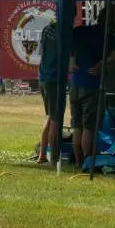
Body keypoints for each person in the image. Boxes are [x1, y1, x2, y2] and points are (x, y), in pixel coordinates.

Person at [69, 7, 115, 169]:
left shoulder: (80, 30)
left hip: (75, 83)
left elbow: (70, 47)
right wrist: (102, 63)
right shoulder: (109, 37)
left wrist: (72, 61)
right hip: (92, 85)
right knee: (90, 127)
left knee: (77, 126)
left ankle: (78, 161)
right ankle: (89, 162)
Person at [35, 19, 67, 164]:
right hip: (54, 78)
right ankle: (54, 158)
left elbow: (41, 52)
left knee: (50, 116)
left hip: (43, 76)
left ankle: (42, 154)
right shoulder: (64, 32)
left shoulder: (46, 29)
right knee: (55, 118)